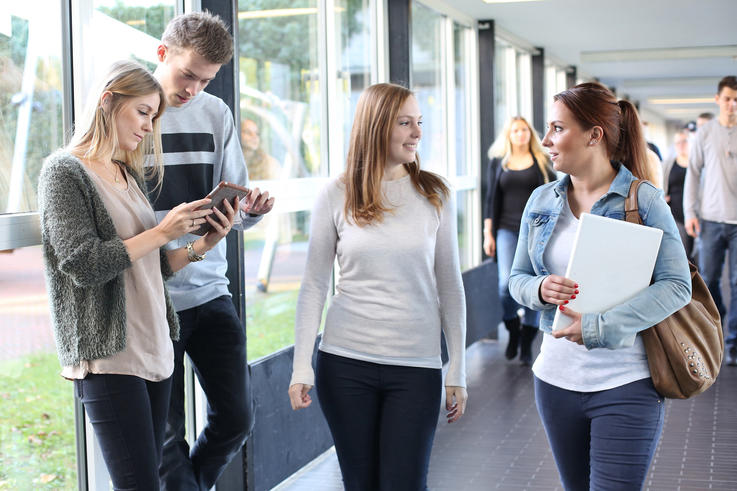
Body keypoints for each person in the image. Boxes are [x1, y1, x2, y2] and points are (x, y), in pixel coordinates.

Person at [38, 60, 237, 490]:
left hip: (154, 347)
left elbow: (151, 266)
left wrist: (200, 246)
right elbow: (83, 263)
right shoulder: (64, 172)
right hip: (110, 357)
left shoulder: (127, 173)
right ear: (109, 101)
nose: (150, 127)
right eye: (144, 112)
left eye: (154, 116)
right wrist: (163, 231)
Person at [508, 82, 691, 490]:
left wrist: (598, 327)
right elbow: (516, 279)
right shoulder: (541, 200)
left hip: (626, 384)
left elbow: (677, 285)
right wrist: (539, 290)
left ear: (595, 135)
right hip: (554, 380)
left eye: (558, 128)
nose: (546, 140)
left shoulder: (643, 201)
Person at [288, 83, 468, 490]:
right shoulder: (336, 194)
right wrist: (301, 365)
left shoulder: (434, 194)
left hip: (416, 367)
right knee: (360, 483)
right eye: (405, 123)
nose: (417, 133)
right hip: (345, 363)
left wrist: (456, 367)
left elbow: (450, 286)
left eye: (418, 122)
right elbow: (314, 284)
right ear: (376, 127)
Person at [149, 12, 275, 490]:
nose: (193, 89)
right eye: (188, 75)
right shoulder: (129, 112)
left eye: (206, 80)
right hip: (153, 298)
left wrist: (251, 210)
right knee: (166, 439)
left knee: (238, 418)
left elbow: (234, 206)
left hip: (209, 291)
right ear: (162, 54)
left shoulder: (215, 113)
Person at [483, 116, 555, 365]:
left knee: (535, 284)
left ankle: (527, 339)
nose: (520, 134)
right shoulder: (498, 163)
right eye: (515, 130)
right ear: (509, 134)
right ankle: (513, 328)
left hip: (536, 230)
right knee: (506, 284)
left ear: (529, 133)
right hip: (506, 229)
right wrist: (487, 232)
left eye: (524, 129)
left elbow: (554, 194)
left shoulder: (541, 162)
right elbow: (491, 198)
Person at [684, 75, 737, 366]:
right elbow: (692, 173)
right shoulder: (706, 133)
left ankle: (734, 342)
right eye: (728, 98)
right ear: (718, 100)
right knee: (711, 280)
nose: (732, 105)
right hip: (711, 219)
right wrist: (690, 212)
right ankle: (716, 329)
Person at [662, 128, 694, 261]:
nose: (681, 145)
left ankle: (699, 281)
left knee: (698, 253)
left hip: (695, 214)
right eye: (677, 143)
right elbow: (662, 185)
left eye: (684, 141)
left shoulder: (696, 164)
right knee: (682, 252)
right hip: (676, 213)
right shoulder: (669, 165)